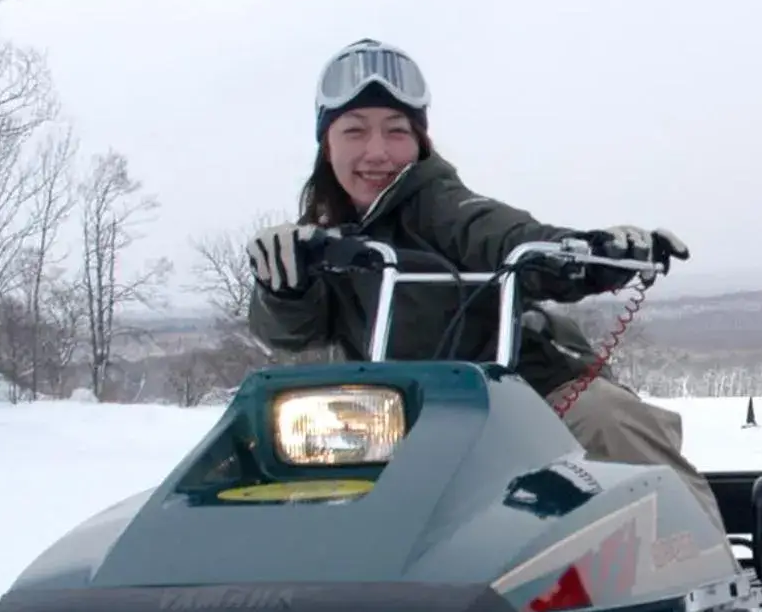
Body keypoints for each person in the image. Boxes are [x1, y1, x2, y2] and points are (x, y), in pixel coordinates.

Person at [245, 37, 724, 530]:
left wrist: (587, 254)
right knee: (278, 460)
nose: (377, 151)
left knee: (606, 417)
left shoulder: (437, 203)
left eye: (396, 131)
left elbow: (499, 233)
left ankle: (704, 558)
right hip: (391, 417)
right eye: (354, 131)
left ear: (419, 142)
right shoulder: (321, 240)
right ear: (327, 144)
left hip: (521, 398)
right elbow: (291, 334)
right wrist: (284, 287)